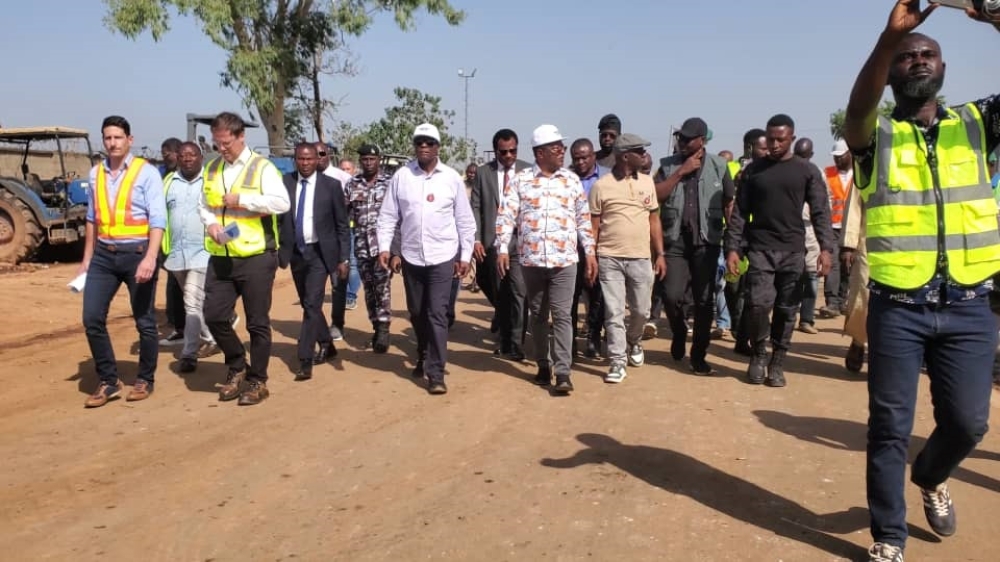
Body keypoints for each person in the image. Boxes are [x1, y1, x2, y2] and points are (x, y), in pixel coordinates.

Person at [842, 3, 1000, 559]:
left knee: (970, 423)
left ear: (943, 65)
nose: (916, 61)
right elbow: (858, 106)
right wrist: (889, 37)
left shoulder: (980, 125)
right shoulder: (872, 136)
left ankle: (931, 475)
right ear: (891, 72)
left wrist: (994, 18)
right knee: (888, 425)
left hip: (970, 304)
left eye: (926, 54)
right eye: (906, 57)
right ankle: (889, 536)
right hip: (898, 307)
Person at [724, 114, 834, 387]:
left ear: (791, 139)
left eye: (780, 139)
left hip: (793, 251)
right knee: (758, 305)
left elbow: (821, 212)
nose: (774, 144)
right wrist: (732, 249)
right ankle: (759, 355)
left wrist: (826, 249)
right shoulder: (753, 171)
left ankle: (778, 361)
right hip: (760, 249)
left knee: (787, 310)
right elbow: (739, 213)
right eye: (770, 138)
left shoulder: (806, 171)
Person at [376, 123, 476, 395]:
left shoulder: (452, 178)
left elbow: (465, 222)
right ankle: (423, 352)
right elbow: (388, 216)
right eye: (419, 142)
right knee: (418, 313)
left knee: (436, 314)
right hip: (412, 257)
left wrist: (464, 255)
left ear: (437, 147)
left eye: (429, 142)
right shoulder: (402, 176)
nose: (423, 146)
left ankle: (436, 372)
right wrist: (386, 248)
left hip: (443, 256)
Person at [496, 124, 597, 394]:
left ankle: (563, 372)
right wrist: (503, 248)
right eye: (556, 148)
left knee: (563, 316)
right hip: (532, 262)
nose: (562, 151)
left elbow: (583, 220)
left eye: (562, 147)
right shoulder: (521, 180)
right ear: (540, 153)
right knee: (539, 316)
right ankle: (543, 364)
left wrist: (590, 253)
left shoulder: (571, 180)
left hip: (565, 261)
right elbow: (506, 215)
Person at [199, 112, 290, 406]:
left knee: (257, 323)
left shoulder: (261, 167)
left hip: (256, 257)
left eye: (226, 143)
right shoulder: (211, 167)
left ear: (241, 137)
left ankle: (257, 381)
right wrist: (210, 224)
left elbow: (281, 202)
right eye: (217, 144)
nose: (222, 149)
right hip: (222, 256)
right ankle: (237, 364)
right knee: (213, 315)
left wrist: (243, 200)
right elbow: (204, 204)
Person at [81, 116, 166, 408]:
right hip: (104, 257)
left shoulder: (147, 173)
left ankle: (145, 379)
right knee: (92, 318)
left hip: (138, 254)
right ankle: (108, 379)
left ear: (129, 139)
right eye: (107, 138)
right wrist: (86, 261)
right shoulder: (95, 174)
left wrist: (151, 257)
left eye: (118, 137)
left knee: (144, 321)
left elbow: (158, 219)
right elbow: (92, 219)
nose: (112, 143)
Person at [654, 117, 735, 375]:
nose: (683, 142)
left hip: (707, 242)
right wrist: (681, 171)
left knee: (703, 301)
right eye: (680, 137)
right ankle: (678, 331)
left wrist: (733, 241)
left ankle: (698, 354)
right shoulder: (667, 166)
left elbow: (729, 203)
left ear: (702, 140)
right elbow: (656, 196)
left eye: (688, 138)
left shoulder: (719, 166)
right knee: (671, 295)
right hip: (675, 240)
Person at [589, 133, 666, 383]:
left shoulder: (647, 183)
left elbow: (654, 221)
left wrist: (660, 254)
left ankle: (634, 341)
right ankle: (617, 361)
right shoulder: (602, 186)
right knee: (613, 312)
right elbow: (594, 227)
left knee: (641, 311)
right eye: (639, 151)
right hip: (610, 257)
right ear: (625, 157)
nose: (644, 155)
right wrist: (591, 255)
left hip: (641, 258)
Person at [278, 143, 350, 381]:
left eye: (310, 159)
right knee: (309, 304)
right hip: (297, 252)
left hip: (321, 253)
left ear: (317, 160)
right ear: (295, 160)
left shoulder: (331, 186)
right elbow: (278, 218)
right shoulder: (286, 182)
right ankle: (327, 344)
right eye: (301, 159)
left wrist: (343, 258)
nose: (306, 163)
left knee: (310, 304)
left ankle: (305, 358)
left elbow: (342, 225)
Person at [470, 129, 532, 361]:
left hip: (521, 243)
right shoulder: (484, 173)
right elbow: (475, 207)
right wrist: (476, 238)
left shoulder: (528, 171)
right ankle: (505, 338)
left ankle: (514, 344)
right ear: (496, 151)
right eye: (503, 152)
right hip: (492, 243)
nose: (508, 156)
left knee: (518, 292)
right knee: (499, 292)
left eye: (513, 150)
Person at [162, 142, 217, 373]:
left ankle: (189, 353)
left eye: (192, 155)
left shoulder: (211, 181)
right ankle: (212, 338)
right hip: (175, 253)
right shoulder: (168, 183)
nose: (187, 159)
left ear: (201, 157)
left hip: (203, 252)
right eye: (183, 155)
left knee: (191, 302)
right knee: (193, 302)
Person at [349, 144, 396, 353]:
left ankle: (384, 329)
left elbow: (398, 216)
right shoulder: (352, 184)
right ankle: (376, 326)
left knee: (382, 287)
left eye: (372, 159)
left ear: (379, 160)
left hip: (382, 247)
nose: (368, 163)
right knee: (368, 289)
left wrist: (395, 248)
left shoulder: (389, 184)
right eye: (365, 159)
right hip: (361, 245)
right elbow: (345, 214)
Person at [569, 137, 609, 357]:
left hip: (599, 244)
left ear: (593, 156)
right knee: (570, 296)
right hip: (571, 246)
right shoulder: (566, 178)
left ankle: (593, 337)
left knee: (597, 294)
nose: (581, 162)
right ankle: (570, 342)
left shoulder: (607, 177)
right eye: (576, 158)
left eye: (584, 157)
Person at [317, 142, 361, 336]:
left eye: (321, 153)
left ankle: (337, 324)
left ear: (329, 154)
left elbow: (352, 205)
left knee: (339, 281)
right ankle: (314, 326)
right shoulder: (304, 178)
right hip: (313, 241)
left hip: (338, 236)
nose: (317, 157)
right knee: (313, 288)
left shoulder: (343, 178)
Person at [818, 139, 855, 319]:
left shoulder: (859, 174)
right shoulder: (827, 173)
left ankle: (843, 301)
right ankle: (831, 303)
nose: (837, 160)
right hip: (831, 226)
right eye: (835, 157)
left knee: (848, 264)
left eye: (841, 157)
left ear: (850, 154)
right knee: (832, 264)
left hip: (852, 228)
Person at [158, 137, 186, 348]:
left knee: (190, 290)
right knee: (175, 289)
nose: (164, 157)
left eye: (167, 153)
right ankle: (180, 328)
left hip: (188, 246)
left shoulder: (191, 176)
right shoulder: (167, 177)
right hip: (170, 246)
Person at [792, 138, 821, 335]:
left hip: (811, 231)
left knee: (811, 276)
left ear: (811, 155)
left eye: (805, 156)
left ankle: (807, 319)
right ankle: (788, 316)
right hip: (790, 229)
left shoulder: (816, 174)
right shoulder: (787, 170)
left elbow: (822, 207)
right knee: (791, 276)